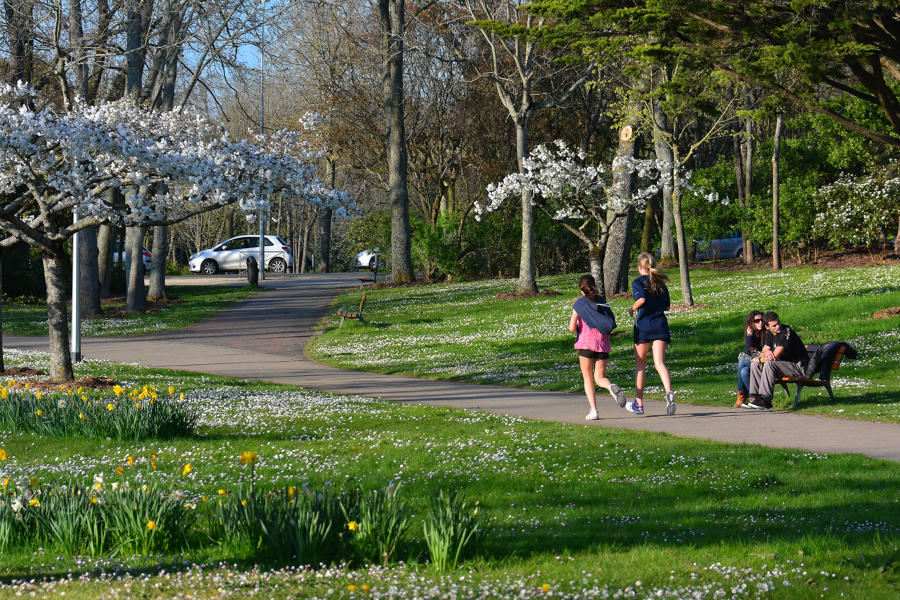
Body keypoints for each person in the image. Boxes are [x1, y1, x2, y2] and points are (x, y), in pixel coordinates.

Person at [569, 274, 627, 420]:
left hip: (586, 344)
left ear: (581, 289)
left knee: (587, 378)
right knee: (600, 377)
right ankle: (611, 387)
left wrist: (578, 324)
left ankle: (594, 410)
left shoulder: (579, 304)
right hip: (603, 344)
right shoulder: (602, 302)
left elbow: (571, 328)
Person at [628, 252, 676, 416]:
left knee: (641, 366)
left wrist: (631, 309)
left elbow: (641, 300)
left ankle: (639, 404)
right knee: (659, 363)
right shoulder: (661, 283)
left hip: (644, 326)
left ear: (639, 267)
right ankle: (669, 392)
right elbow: (667, 307)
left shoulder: (637, 282)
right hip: (660, 325)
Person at [747, 311, 809, 410]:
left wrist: (764, 356)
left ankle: (766, 400)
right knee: (755, 364)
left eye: (778, 323)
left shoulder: (786, 331)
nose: (778, 326)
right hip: (784, 366)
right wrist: (765, 353)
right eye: (774, 325)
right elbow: (763, 353)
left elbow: (774, 356)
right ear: (767, 327)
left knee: (769, 363)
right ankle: (756, 398)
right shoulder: (769, 334)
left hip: (799, 367)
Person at [735, 310, 765, 407]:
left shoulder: (767, 333)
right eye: (757, 321)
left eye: (762, 320)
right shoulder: (753, 334)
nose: (760, 323)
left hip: (765, 362)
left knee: (742, 363)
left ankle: (741, 395)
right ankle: (753, 398)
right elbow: (748, 351)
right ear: (751, 323)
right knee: (744, 371)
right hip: (755, 361)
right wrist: (749, 336)